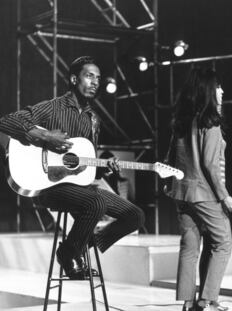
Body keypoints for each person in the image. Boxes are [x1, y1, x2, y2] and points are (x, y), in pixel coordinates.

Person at [0, 56, 145, 280]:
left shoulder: (93, 120)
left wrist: (104, 168)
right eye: (89, 76)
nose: (95, 82)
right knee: (95, 202)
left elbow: (83, 166)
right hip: (50, 187)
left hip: (78, 187)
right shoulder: (52, 108)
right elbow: (6, 121)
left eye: (98, 78)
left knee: (135, 216)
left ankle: (72, 250)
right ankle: (72, 252)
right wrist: (47, 136)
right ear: (74, 79)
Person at [166, 67, 232, 311]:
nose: (222, 90)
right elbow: (210, 164)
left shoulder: (182, 122)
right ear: (208, 90)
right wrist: (224, 196)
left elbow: (170, 157)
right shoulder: (211, 124)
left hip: (182, 193)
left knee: (190, 246)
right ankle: (205, 301)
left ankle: (189, 302)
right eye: (218, 86)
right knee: (223, 243)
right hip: (205, 194)